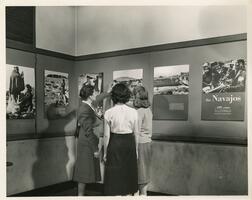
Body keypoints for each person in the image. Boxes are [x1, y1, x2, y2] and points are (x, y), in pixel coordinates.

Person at [73, 84, 109, 196]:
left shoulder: (89, 105)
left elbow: (98, 98)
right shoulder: (84, 109)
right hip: (87, 144)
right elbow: (88, 132)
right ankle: (80, 196)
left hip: (89, 142)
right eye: (94, 92)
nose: (96, 94)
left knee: (86, 171)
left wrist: (108, 92)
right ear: (89, 95)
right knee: (83, 172)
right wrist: (95, 149)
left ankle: (81, 195)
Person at [103, 83, 138, 196]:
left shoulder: (109, 112)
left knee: (115, 176)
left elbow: (106, 136)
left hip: (115, 142)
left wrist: (105, 152)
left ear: (114, 96)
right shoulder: (134, 112)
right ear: (126, 95)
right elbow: (136, 133)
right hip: (129, 143)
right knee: (128, 174)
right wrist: (136, 150)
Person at [133, 86, 153, 195]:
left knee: (140, 172)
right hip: (147, 142)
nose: (133, 99)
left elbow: (136, 132)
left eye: (135, 96)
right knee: (144, 170)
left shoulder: (139, 111)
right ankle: (143, 194)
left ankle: (142, 194)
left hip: (140, 144)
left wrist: (135, 148)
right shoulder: (148, 110)